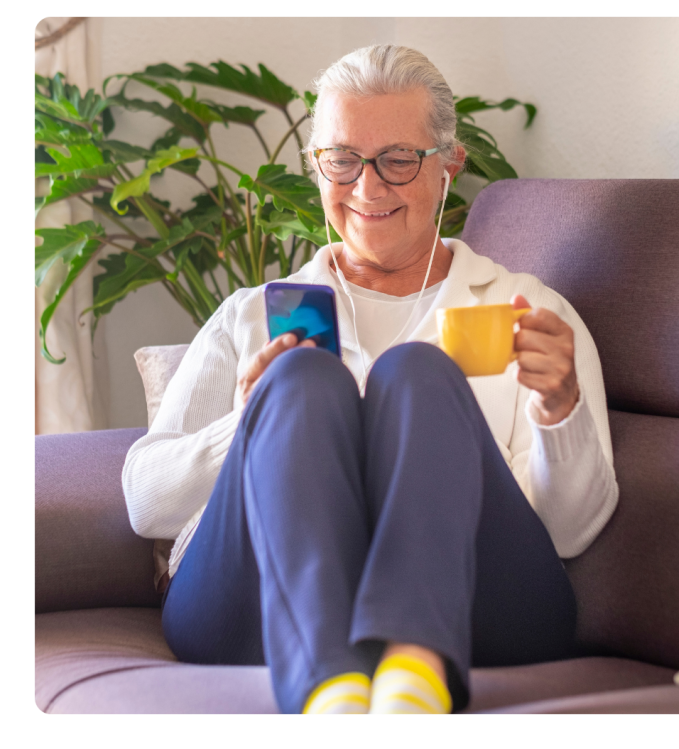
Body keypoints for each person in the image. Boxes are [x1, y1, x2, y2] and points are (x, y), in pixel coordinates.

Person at [123, 45, 619, 715]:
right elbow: (146, 501)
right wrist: (250, 422)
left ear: (450, 163)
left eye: (397, 158)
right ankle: (330, 678)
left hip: (480, 609)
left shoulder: (526, 311)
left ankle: (413, 664)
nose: (367, 187)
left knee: (417, 370)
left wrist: (559, 411)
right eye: (342, 160)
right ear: (316, 166)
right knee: (298, 378)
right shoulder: (253, 313)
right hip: (251, 610)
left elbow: (570, 532)